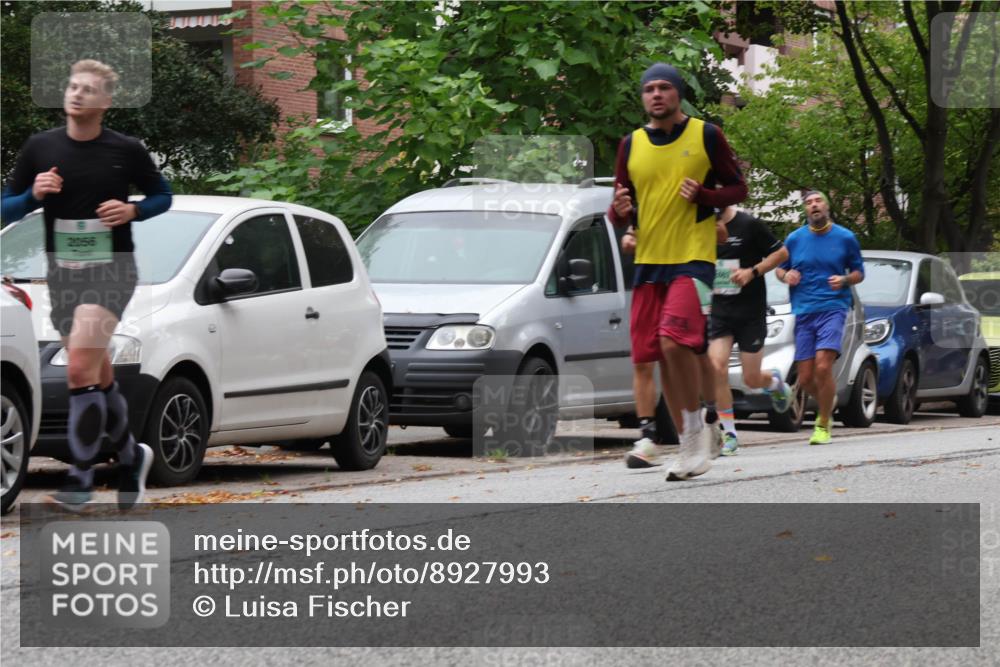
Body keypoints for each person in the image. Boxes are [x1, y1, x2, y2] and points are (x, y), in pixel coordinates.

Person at [1, 59, 173, 509]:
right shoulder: (40, 148)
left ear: (106, 102)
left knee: (78, 368)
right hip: (62, 272)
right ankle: (132, 456)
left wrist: (135, 210)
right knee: (96, 372)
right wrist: (31, 196)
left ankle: (79, 479)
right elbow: (5, 209)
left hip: (113, 268)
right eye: (72, 87)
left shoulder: (126, 150)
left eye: (88, 89)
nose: (76, 94)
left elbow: (163, 195)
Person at [609, 63, 748, 480]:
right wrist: (619, 214)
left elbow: (737, 188)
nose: (656, 95)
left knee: (673, 343)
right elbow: (621, 205)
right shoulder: (630, 144)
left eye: (664, 88)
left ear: (678, 94)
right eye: (649, 89)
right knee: (662, 357)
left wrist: (705, 195)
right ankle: (692, 438)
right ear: (642, 97)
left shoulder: (706, 134)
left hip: (694, 257)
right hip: (650, 261)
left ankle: (698, 434)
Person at [775, 191, 864, 446]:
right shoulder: (794, 238)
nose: (814, 205)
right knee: (804, 379)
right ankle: (828, 400)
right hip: (803, 311)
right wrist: (786, 276)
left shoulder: (846, 237)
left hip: (833, 308)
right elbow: (780, 268)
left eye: (818, 201)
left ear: (827, 206)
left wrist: (845, 280)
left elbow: (859, 273)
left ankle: (823, 423)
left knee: (823, 367)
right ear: (806, 210)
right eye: (809, 203)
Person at [707, 204, 792, 456]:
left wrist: (751, 272)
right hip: (720, 309)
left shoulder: (749, 224)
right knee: (717, 367)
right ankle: (729, 433)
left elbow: (782, 254)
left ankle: (775, 383)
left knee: (751, 379)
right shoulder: (701, 225)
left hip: (750, 311)